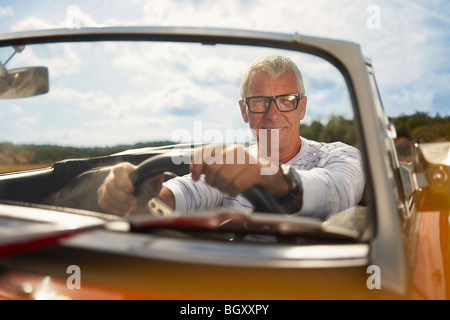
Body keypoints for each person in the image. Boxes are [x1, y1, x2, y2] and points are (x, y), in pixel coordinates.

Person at [97, 55, 365, 220]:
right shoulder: (232, 163)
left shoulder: (339, 155)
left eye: (286, 100)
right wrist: (142, 194)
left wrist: (266, 175)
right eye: (260, 102)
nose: (273, 114)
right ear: (244, 111)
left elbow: (337, 193)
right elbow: (189, 191)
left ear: (302, 107)